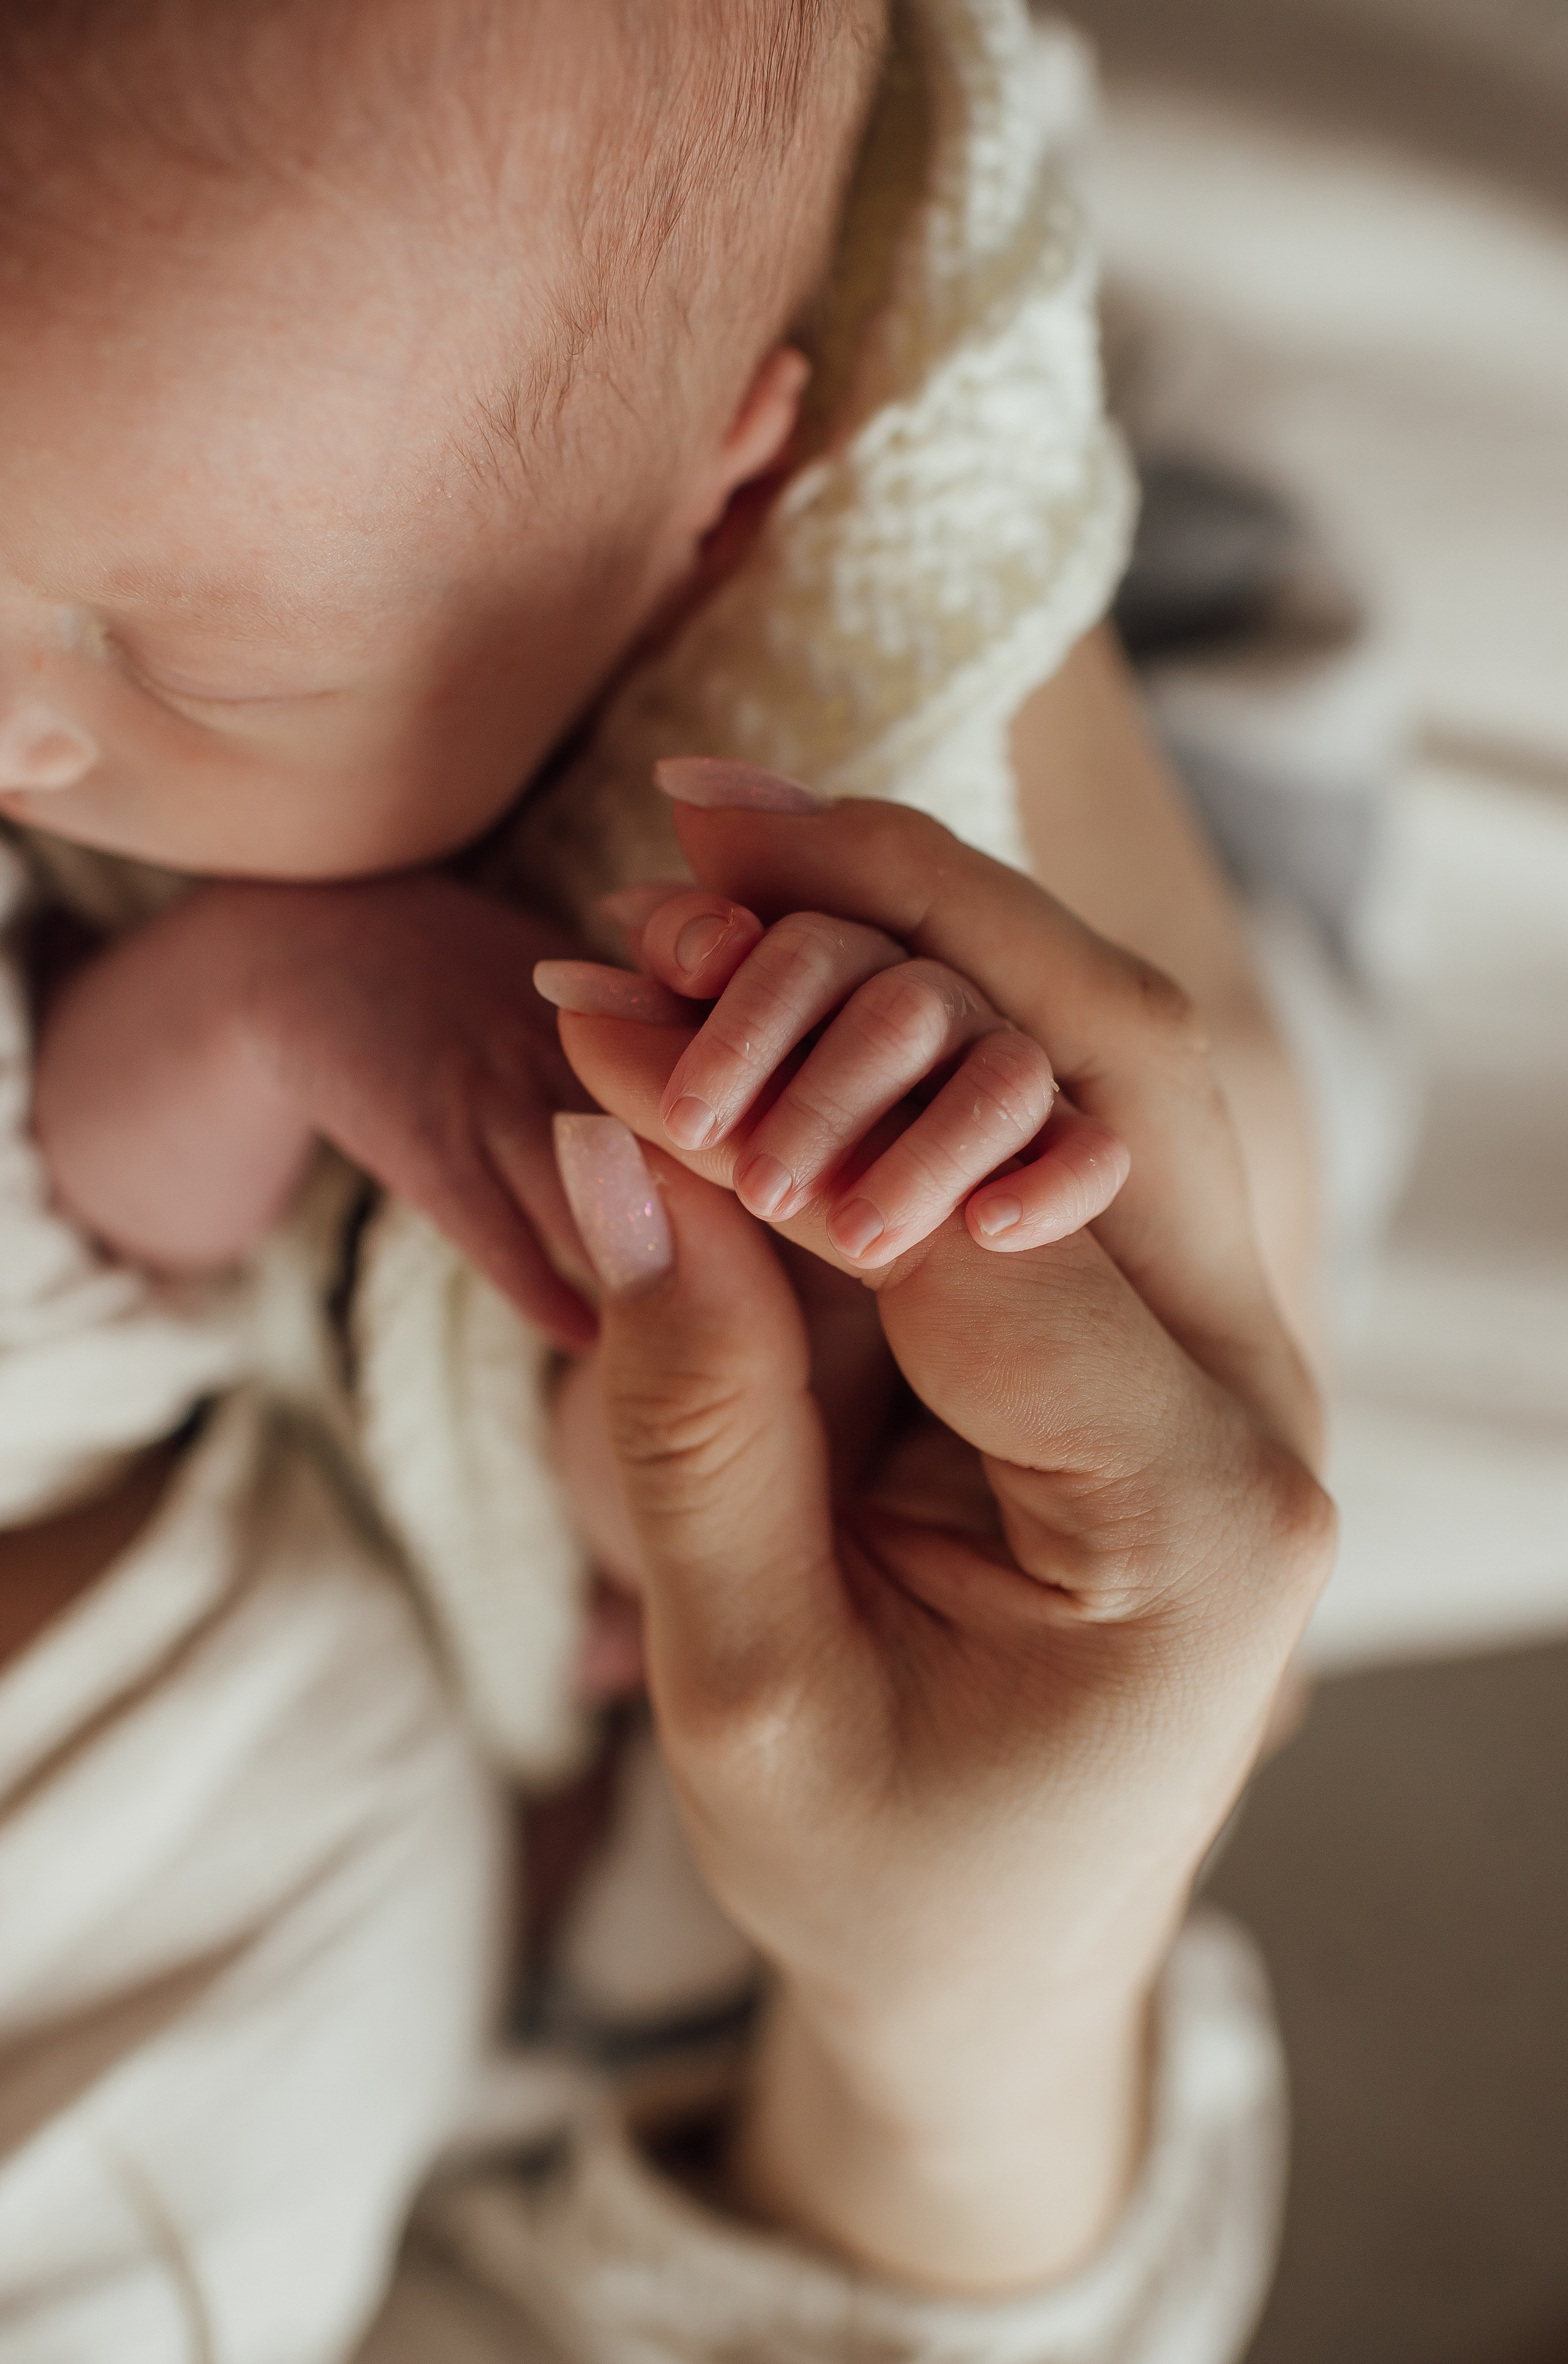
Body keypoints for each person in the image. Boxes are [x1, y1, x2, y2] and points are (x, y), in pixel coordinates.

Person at [0, 0, 1328, 2354]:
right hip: (638, 1930)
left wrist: (268, 995)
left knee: (1164, 1152)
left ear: (708, 525)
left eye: (159, 656)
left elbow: (80, 1229)